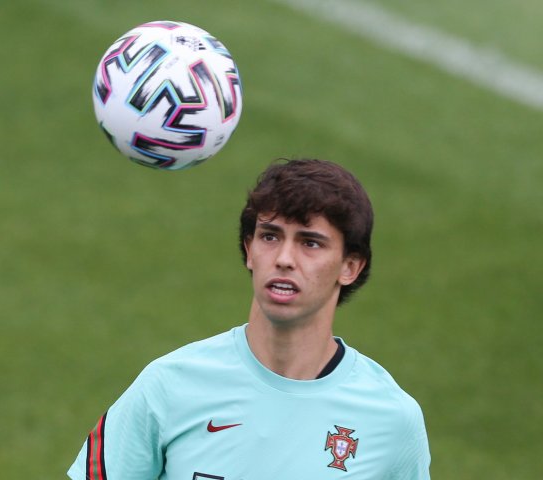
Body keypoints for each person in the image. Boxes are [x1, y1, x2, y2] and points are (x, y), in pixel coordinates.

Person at [68, 158, 431, 479]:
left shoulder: (392, 420)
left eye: (310, 243)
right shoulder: (170, 385)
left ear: (350, 267)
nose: (285, 258)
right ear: (249, 251)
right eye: (270, 236)